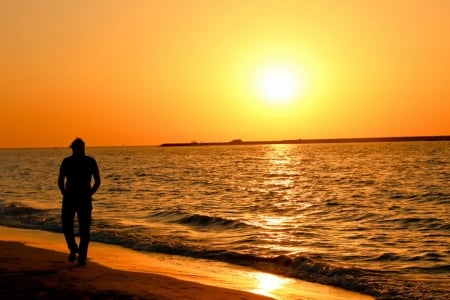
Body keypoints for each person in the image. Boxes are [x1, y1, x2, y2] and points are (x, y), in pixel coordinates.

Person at [58, 138, 100, 265]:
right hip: (82, 197)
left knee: (69, 226)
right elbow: (97, 181)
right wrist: (90, 193)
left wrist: (64, 192)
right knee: (83, 228)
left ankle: (76, 251)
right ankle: (80, 254)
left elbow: (60, 180)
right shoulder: (89, 161)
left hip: (71, 197)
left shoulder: (68, 161)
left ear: (73, 148)